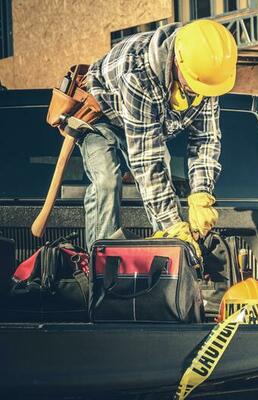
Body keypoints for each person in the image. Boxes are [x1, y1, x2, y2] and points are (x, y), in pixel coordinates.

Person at [81, 20, 237, 256]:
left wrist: (201, 193)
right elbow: (146, 160)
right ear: (177, 60)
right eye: (195, 86)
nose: (201, 94)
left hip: (146, 119)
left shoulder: (206, 74)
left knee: (163, 174)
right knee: (107, 181)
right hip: (102, 115)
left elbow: (206, 139)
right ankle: (100, 264)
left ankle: (168, 262)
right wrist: (173, 225)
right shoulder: (138, 74)